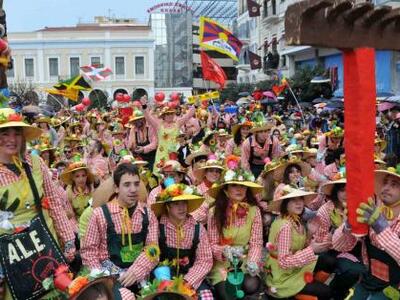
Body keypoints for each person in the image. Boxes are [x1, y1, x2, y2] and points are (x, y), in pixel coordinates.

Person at [0, 108, 76, 300]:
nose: (12, 139)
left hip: (45, 245)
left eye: (17, 133)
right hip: (11, 256)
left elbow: (54, 203)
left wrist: (68, 240)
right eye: (4, 133)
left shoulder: (35, 162)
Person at [81, 162, 159, 295]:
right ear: (116, 188)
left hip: (141, 276)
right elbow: (89, 252)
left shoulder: (148, 214)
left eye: (136, 183)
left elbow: (153, 248)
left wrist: (137, 271)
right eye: (127, 184)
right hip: (110, 277)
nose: (133, 189)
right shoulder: (100, 214)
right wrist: (103, 279)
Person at [333, 165, 400, 299]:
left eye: (394, 184)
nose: (386, 187)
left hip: (395, 287)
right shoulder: (372, 212)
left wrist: (381, 228)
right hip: (368, 279)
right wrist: (348, 225)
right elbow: (339, 246)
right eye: (385, 183)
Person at [207, 156, 265, 299]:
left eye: (243, 185)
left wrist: (252, 261)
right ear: (225, 189)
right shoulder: (214, 212)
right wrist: (225, 251)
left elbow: (256, 243)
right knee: (229, 293)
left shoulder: (254, 210)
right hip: (223, 263)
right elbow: (212, 244)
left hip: (244, 260)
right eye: (234, 185)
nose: (240, 189)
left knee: (251, 285)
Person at [265, 186, 333, 299]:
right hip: (283, 276)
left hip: (295, 267)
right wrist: (312, 250)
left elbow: (299, 247)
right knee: (326, 292)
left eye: (300, 199)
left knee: (328, 260)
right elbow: (284, 262)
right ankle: (297, 293)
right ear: (285, 203)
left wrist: (310, 233)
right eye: (293, 200)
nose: (299, 203)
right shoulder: (285, 225)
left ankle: (306, 288)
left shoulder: (296, 220)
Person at [151, 183, 214, 299]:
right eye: (176, 204)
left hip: (190, 277)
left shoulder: (197, 228)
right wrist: (163, 279)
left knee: (207, 297)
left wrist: (187, 282)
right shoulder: (157, 226)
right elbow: (151, 255)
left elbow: (205, 260)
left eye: (184, 203)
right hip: (163, 276)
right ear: (167, 207)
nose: (182, 208)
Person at [314, 177, 366, 300]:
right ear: (335, 191)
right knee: (354, 271)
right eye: (343, 190)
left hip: (356, 248)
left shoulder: (358, 207)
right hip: (331, 250)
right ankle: (332, 293)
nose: (347, 194)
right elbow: (321, 240)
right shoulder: (325, 210)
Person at [143, 101, 195, 173]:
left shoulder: (178, 123)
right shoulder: (158, 125)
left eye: (171, 113)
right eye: (167, 114)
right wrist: (144, 106)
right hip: (162, 154)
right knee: (161, 173)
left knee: (175, 171)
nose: (170, 115)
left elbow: (188, 116)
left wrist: (194, 106)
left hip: (175, 153)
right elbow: (148, 117)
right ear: (163, 116)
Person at [191, 154, 224, 223]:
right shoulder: (197, 190)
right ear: (205, 173)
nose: (215, 174)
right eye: (211, 171)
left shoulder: (222, 188)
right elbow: (196, 216)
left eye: (217, 171)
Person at [61, 154, 95, 220]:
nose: (81, 179)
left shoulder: (92, 189)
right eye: (77, 176)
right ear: (73, 178)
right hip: (77, 223)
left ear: (87, 176)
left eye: (83, 175)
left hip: (92, 220)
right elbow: (71, 214)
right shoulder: (69, 193)